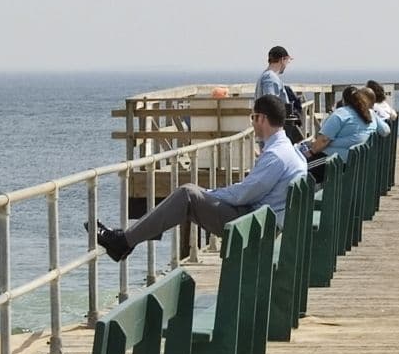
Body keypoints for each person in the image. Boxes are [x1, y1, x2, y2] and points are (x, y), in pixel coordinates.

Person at [96, 93, 306, 261]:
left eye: (253, 118)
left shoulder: (275, 156)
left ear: (261, 118)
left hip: (255, 227)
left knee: (187, 194)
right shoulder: (289, 150)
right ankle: (129, 239)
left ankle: (123, 242)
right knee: (187, 201)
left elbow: (244, 195)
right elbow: (250, 191)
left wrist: (211, 193)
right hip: (266, 221)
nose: (252, 123)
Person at [300, 84, 374, 182]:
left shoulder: (341, 114)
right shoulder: (369, 113)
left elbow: (324, 139)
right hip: (358, 159)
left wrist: (311, 152)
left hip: (336, 161)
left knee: (299, 169)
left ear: (343, 100)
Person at [257, 46, 305, 143]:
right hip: (272, 132)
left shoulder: (267, 75)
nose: (287, 65)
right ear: (282, 59)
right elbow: (270, 103)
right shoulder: (270, 78)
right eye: (287, 61)